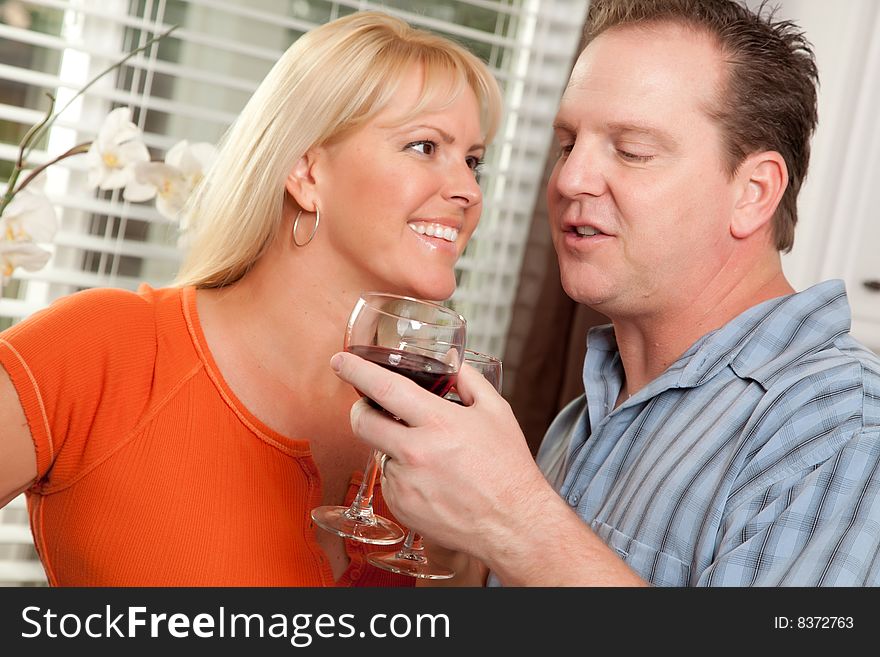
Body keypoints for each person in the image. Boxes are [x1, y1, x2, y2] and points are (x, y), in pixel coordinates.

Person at [331, 0, 880, 586]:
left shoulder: (846, 435)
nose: (569, 179)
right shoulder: (587, 415)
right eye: (568, 144)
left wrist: (515, 522)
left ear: (753, 191)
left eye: (631, 150)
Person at [0, 11, 502, 586]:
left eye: (472, 161)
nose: (466, 190)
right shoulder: (103, 351)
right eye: (423, 146)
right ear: (306, 172)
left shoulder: (436, 427)